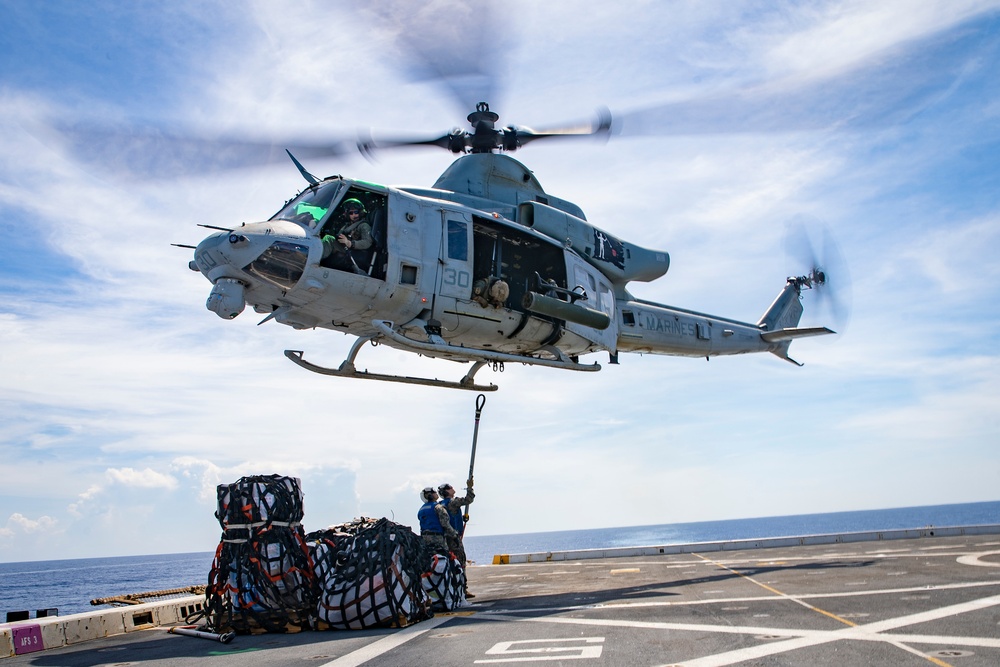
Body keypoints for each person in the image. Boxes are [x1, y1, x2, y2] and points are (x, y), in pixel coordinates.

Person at [438, 478, 475, 597]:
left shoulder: (440, 504)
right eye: (449, 487)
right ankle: (462, 589)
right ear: (446, 492)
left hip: (445, 538)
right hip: (454, 537)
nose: (452, 488)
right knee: (460, 560)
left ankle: (453, 588)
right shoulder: (452, 502)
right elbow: (469, 499)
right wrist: (470, 487)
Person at [321, 198, 373, 274]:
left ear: (361, 212)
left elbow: (367, 242)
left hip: (353, 251)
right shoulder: (348, 225)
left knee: (329, 239)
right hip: (345, 248)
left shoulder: (364, 225)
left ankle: (316, 259)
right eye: (351, 213)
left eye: (356, 212)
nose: (354, 215)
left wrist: (349, 243)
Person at [417, 487, 458, 553]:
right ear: (430, 495)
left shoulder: (421, 509)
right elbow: (445, 524)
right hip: (437, 538)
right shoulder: (438, 507)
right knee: (444, 557)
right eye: (434, 492)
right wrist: (455, 536)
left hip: (424, 539)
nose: (436, 493)